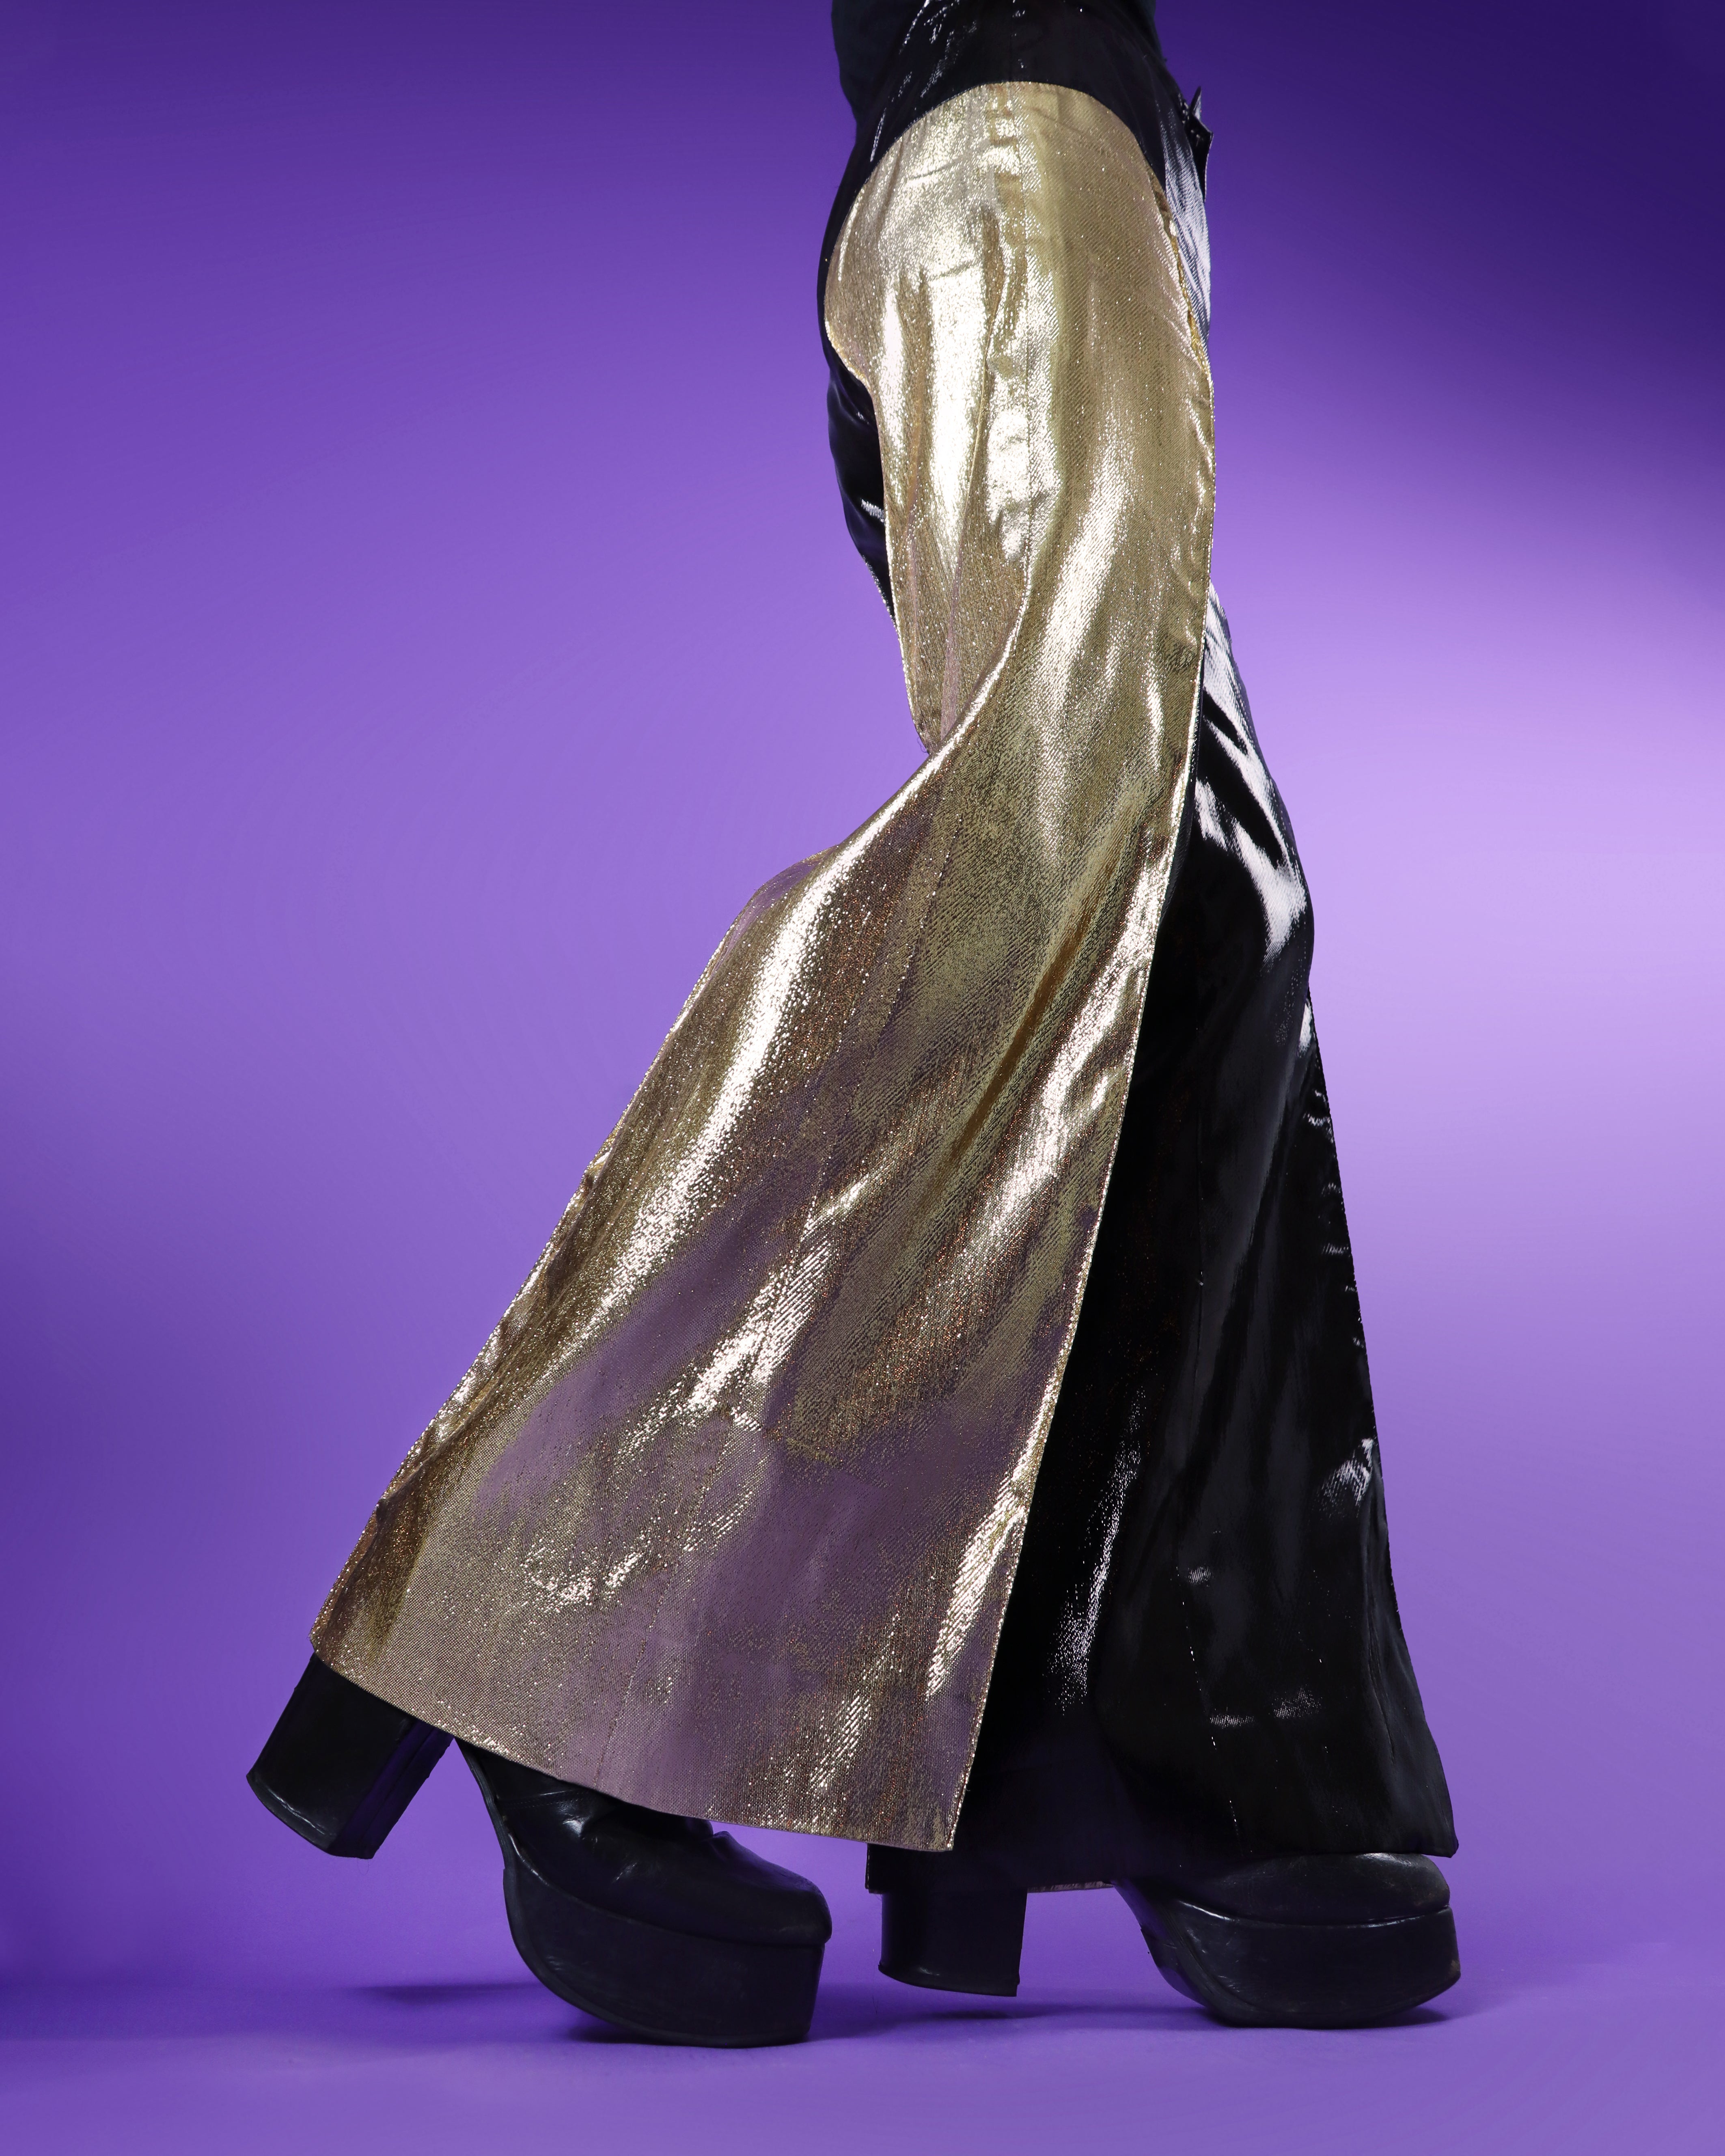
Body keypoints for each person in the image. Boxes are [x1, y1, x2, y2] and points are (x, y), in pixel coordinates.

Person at [250, 0, 1457, 2046]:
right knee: (1047, 879)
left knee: (1202, 921)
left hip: (1081, 139)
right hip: (1015, 124)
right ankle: (536, 1620)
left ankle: (1147, 1707)